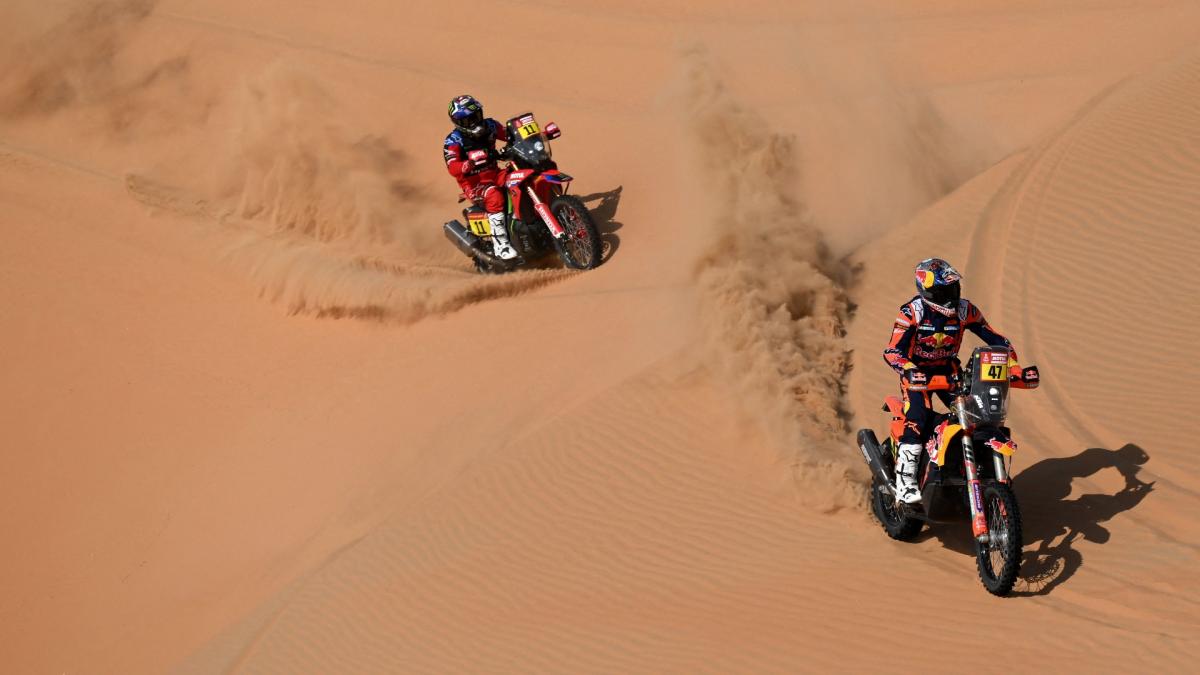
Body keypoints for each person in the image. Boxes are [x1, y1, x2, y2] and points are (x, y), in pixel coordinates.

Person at [882, 258, 1023, 504]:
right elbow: (892, 351)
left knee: (977, 413)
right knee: (917, 418)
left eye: (954, 288)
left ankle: (974, 466)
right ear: (929, 291)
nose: (952, 295)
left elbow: (996, 339)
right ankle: (905, 483)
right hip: (919, 376)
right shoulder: (912, 313)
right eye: (945, 290)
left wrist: (1014, 365)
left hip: (950, 372)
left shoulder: (966, 310)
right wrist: (908, 369)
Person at [443, 94, 517, 260]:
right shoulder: (453, 141)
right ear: (459, 123)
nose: (476, 121)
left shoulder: (490, 125)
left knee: (521, 178)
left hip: (496, 174)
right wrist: (467, 164)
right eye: (470, 119)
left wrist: (536, 136)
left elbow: (510, 135)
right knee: (494, 195)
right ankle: (502, 246)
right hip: (474, 184)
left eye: (477, 115)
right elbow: (452, 166)